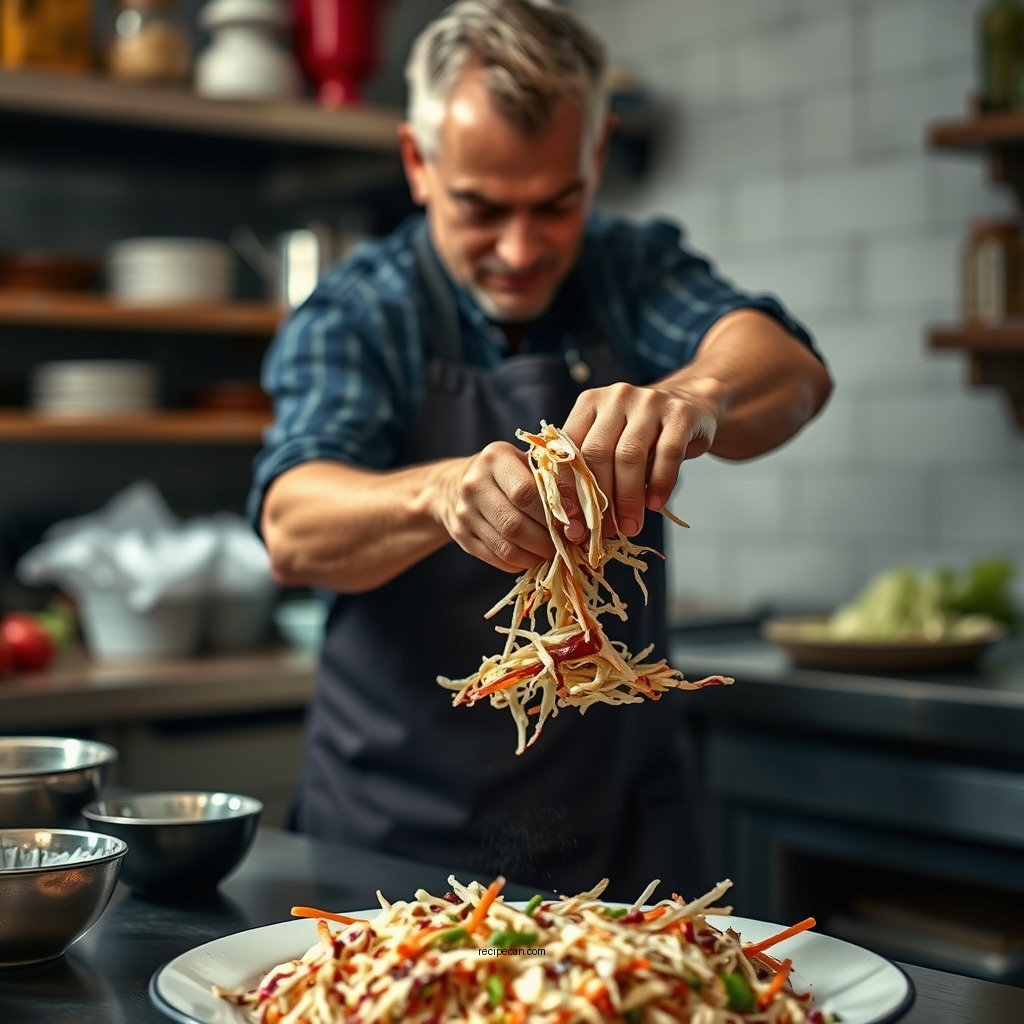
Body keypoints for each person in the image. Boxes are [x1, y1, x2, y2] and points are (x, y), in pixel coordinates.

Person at [249, 0, 832, 901]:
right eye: (481, 209)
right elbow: (293, 521)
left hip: (624, 848)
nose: (520, 250)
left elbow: (792, 371)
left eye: (556, 204)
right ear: (418, 163)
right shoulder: (361, 310)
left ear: (594, 161)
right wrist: (441, 494)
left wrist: (696, 395)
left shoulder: (629, 270)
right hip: (392, 852)